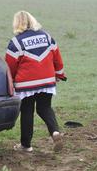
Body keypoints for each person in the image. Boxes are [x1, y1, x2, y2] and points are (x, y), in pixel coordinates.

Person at [5, 11, 67, 153]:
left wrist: (11, 82)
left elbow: (10, 66)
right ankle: (55, 133)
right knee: (45, 108)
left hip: (26, 84)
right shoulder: (47, 36)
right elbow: (57, 58)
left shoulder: (16, 42)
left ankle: (26, 145)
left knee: (27, 111)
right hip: (47, 81)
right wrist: (59, 74)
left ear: (17, 23)